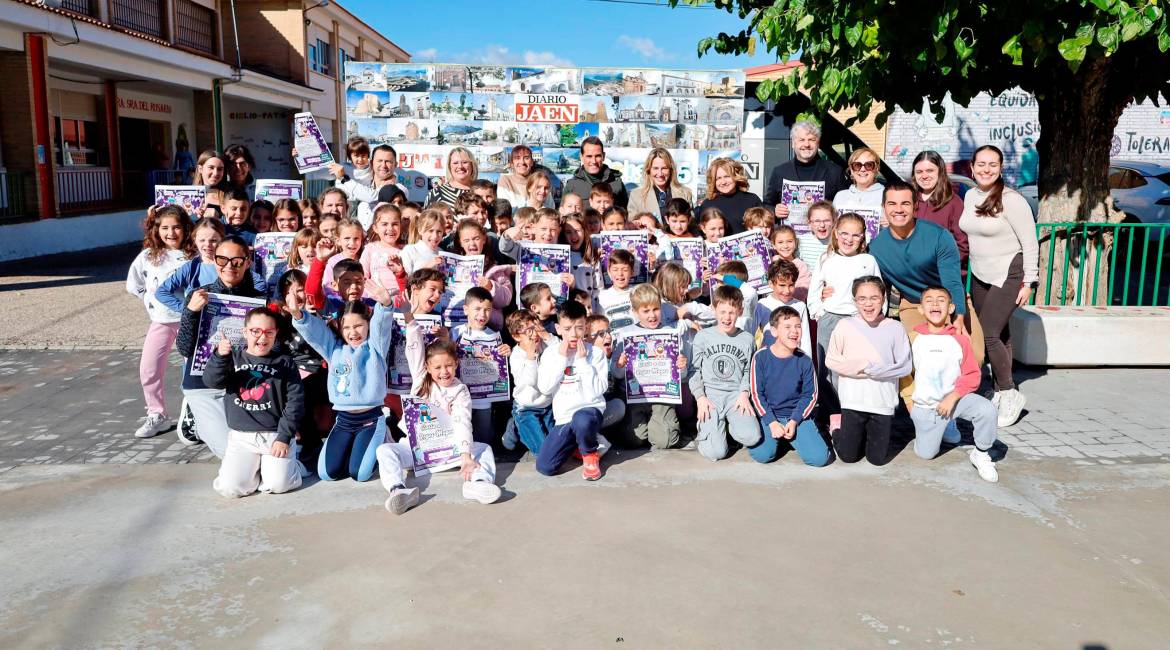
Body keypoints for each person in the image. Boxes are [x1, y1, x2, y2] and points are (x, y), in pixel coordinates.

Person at [375, 287, 502, 514]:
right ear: (428, 367)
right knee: (385, 451)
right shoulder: (421, 380)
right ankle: (398, 490)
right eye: (438, 367)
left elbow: (463, 420)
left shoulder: (460, 389)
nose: (444, 372)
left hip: (449, 450)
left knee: (484, 449)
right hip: (418, 448)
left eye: (449, 366)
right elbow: (414, 344)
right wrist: (407, 315)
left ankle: (478, 484)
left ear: (456, 365)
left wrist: (465, 456)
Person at [288, 273, 399, 482]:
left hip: (370, 420)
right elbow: (315, 333)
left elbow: (381, 327)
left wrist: (385, 304)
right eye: (347, 327)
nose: (353, 332)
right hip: (344, 421)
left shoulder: (375, 347)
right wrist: (297, 314)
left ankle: (381, 441)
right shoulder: (334, 350)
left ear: (367, 325)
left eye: (358, 326)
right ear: (339, 328)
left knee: (360, 474)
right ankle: (354, 449)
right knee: (328, 473)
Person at [960, 145, 1039, 427]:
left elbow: (1030, 242)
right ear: (972, 167)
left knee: (989, 333)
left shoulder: (1012, 200)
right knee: (1001, 333)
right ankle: (1001, 388)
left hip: (1009, 272)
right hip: (981, 273)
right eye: (981, 164)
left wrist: (1029, 281)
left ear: (1001, 168)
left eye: (993, 164)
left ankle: (1009, 393)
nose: (986, 169)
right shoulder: (970, 196)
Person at [869, 181, 984, 364]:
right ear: (883, 207)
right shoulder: (876, 247)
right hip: (914, 304)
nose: (898, 209)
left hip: (950, 301)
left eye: (905, 203)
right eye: (892, 204)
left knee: (973, 357)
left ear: (915, 206)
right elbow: (879, 289)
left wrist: (958, 316)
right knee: (920, 355)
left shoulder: (938, 236)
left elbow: (952, 282)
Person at [175, 236, 265, 458]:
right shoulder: (199, 295)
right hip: (204, 383)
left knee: (258, 450)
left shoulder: (257, 299)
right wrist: (191, 312)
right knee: (231, 453)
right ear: (214, 261)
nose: (229, 266)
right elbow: (185, 349)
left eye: (236, 260)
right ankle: (195, 415)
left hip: (243, 383)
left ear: (247, 262)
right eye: (222, 259)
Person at [204, 307, 305, 498]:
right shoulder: (233, 357)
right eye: (255, 331)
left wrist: (284, 437)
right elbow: (212, 382)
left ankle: (292, 465)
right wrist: (219, 356)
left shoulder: (285, 362)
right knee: (230, 488)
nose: (262, 337)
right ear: (245, 332)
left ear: (275, 334)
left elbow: (295, 402)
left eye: (269, 332)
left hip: (275, 435)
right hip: (242, 437)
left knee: (278, 485)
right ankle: (255, 469)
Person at [905, 286, 1000, 482]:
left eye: (941, 300)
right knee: (925, 454)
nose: (935, 304)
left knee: (986, 409)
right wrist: (910, 406)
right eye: (929, 300)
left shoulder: (959, 340)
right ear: (921, 309)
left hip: (955, 401)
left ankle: (981, 453)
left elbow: (972, 374)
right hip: (926, 407)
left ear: (950, 308)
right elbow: (904, 376)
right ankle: (941, 426)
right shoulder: (913, 339)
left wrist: (953, 397)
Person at [825, 276, 913, 466]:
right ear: (854, 301)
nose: (868, 304)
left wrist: (875, 370)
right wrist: (863, 366)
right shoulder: (845, 326)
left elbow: (904, 366)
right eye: (862, 298)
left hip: (882, 403)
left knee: (877, 460)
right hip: (852, 402)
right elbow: (831, 360)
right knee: (848, 457)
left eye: (874, 297)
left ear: (884, 298)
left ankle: (862, 435)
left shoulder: (895, 328)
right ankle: (836, 426)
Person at [126, 205, 195, 438]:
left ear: (186, 228)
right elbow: (133, 283)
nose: (171, 233)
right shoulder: (148, 255)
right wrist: (148, 299)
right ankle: (157, 414)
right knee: (149, 369)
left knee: (194, 371)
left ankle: (196, 415)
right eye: (165, 227)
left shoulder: (194, 256)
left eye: (176, 227)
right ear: (157, 229)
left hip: (191, 322)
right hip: (161, 321)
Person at [534, 299, 610, 480]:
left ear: (586, 327)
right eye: (567, 329)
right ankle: (583, 443)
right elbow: (545, 388)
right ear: (558, 329)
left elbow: (597, 391)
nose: (573, 334)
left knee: (582, 420)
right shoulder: (551, 354)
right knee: (545, 467)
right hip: (564, 418)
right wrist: (561, 358)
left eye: (579, 327)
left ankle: (590, 453)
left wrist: (583, 362)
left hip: (589, 413)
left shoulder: (596, 354)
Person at [747, 305, 831, 466]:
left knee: (820, 458)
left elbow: (810, 395)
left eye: (797, 326)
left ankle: (796, 435)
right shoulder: (761, 357)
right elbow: (757, 394)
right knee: (762, 455)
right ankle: (782, 438)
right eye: (787, 327)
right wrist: (771, 421)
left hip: (796, 416)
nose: (794, 331)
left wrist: (794, 421)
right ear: (774, 331)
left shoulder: (804, 360)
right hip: (769, 415)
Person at [612, 284, 688, 450]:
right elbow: (616, 374)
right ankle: (642, 424)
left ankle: (661, 423)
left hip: (662, 397)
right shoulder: (625, 334)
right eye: (645, 311)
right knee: (633, 441)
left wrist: (681, 367)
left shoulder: (671, 333)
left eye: (656, 309)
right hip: (635, 396)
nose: (652, 315)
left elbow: (681, 377)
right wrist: (619, 365)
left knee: (665, 442)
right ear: (635, 312)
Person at [690, 285, 759, 461]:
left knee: (752, 437)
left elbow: (748, 371)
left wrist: (744, 394)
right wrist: (700, 398)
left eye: (731, 312)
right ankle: (708, 430)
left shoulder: (747, 339)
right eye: (722, 312)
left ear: (740, 311)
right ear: (714, 309)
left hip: (735, 397)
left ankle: (726, 428)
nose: (727, 317)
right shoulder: (703, 337)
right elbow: (694, 370)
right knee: (717, 453)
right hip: (711, 396)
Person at [451, 287, 511, 444]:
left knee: (484, 439)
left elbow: (500, 364)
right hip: (459, 397)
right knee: (461, 435)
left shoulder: (495, 335)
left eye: (487, 310)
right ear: (466, 309)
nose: (482, 314)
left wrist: (506, 351)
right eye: (477, 309)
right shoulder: (455, 332)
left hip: (485, 399)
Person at [764, 120, 848, 217]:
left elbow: (845, 206)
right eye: (801, 140)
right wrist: (774, 211)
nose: (806, 144)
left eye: (811, 140)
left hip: (824, 230)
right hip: (790, 231)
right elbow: (767, 204)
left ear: (818, 143)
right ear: (793, 143)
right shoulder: (780, 172)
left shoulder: (835, 172)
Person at [507, 310, 554, 455]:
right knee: (543, 452)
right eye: (528, 331)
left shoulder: (544, 345)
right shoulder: (516, 356)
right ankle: (516, 425)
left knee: (560, 445)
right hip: (526, 407)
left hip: (547, 405)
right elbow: (531, 381)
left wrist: (547, 336)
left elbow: (559, 351)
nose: (534, 334)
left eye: (536, 328)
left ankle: (523, 427)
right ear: (516, 336)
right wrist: (530, 356)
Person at [911, 150, 968, 263]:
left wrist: (941, 266)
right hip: (911, 271)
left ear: (940, 172)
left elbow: (962, 246)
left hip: (940, 273)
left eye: (930, 171)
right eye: (919, 172)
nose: (924, 176)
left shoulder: (954, 203)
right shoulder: (908, 200)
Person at [755, 259, 812, 358]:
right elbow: (753, 336)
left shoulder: (800, 306)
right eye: (782, 285)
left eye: (791, 285)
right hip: (768, 361)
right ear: (771, 284)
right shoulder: (762, 305)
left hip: (793, 360)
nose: (787, 290)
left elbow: (805, 339)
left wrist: (808, 362)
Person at [695, 158, 762, 235]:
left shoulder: (752, 200)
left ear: (736, 176)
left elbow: (763, 228)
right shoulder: (707, 204)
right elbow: (702, 234)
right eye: (718, 178)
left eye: (727, 176)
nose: (723, 182)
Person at [627, 147, 695, 220]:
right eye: (655, 168)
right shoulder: (636, 196)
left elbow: (692, 224)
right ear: (649, 170)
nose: (660, 173)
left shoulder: (684, 194)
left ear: (671, 170)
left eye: (664, 168)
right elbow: (632, 225)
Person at [563, 136, 628, 208]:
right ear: (581, 157)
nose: (594, 161)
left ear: (603, 156)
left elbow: (625, 215)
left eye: (597, 156)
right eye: (589, 156)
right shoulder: (572, 185)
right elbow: (563, 215)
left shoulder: (616, 183)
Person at [832, 147, 885, 227]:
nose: (863, 169)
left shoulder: (887, 195)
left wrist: (891, 223)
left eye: (869, 165)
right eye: (857, 165)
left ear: (876, 168)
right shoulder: (840, 196)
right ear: (851, 170)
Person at [192, 150, 229, 217]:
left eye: (220, 169)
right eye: (211, 168)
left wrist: (219, 218)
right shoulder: (188, 195)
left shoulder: (230, 194)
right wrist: (194, 218)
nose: (215, 173)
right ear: (200, 169)